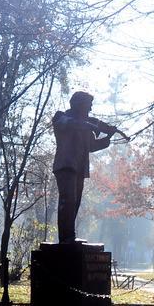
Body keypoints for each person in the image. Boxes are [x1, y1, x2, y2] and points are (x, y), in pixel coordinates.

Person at [52, 91, 117, 243]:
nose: (90, 110)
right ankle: (66, 238)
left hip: (79, 168)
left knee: (75, 202)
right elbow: (70, 124)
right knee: (67, 200)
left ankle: (69, 236)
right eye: (88, 106)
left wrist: (107, 138)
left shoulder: (84, 125)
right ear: (78, 105)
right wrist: (90, 125)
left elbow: (92, 146)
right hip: (66, 165)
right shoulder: (61, 116)